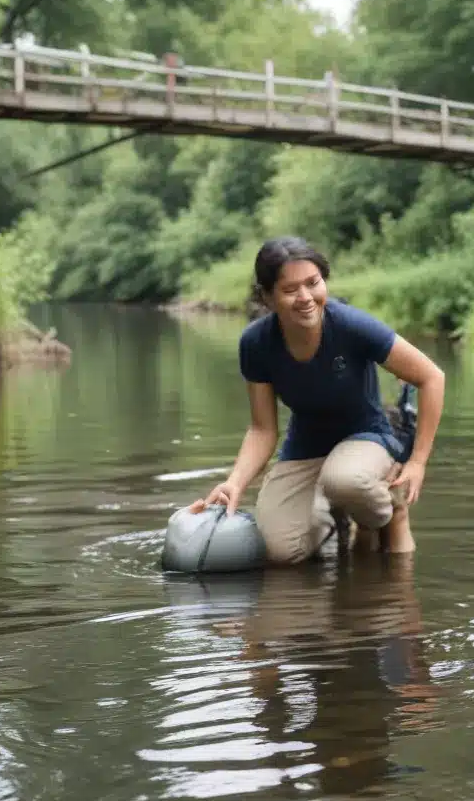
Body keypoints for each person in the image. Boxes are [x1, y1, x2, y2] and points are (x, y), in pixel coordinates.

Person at [190, 236, 445, 562]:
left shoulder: (351, 325)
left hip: (366, 436)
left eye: (313, 283)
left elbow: (431, 377)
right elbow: (262, 430)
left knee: (344, 479)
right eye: (290, 289)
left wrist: (418, 462)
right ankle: (331, 518)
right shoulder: (255, 343)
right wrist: (234, 483)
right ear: (267, 297)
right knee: (276, 550)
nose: (306, 297)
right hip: (306, 444)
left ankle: (387, 510)